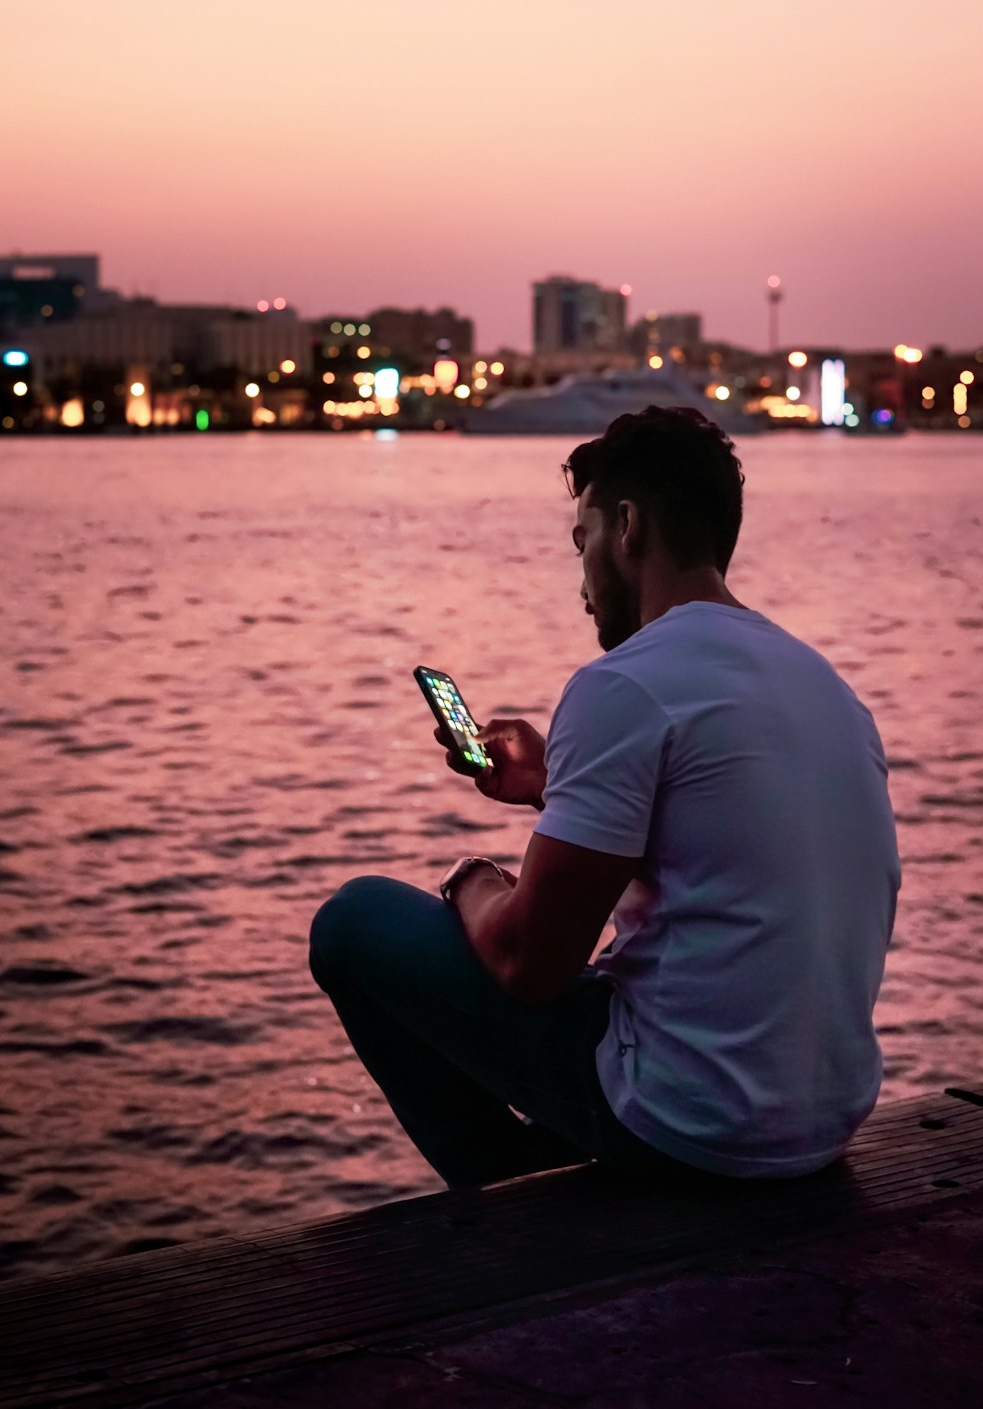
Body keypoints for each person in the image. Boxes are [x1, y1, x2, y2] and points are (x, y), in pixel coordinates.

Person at [309, 405, 901, 1188]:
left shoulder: (623, 684)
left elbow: (530, 964)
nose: (581, 576)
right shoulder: (826, 688)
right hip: (818, 1124)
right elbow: (719, 850)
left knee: (354, 920)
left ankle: (511, 1196)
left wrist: (471, 880)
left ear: (626, 526)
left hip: (691, 1122)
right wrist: (554, 789)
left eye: (581, 540)